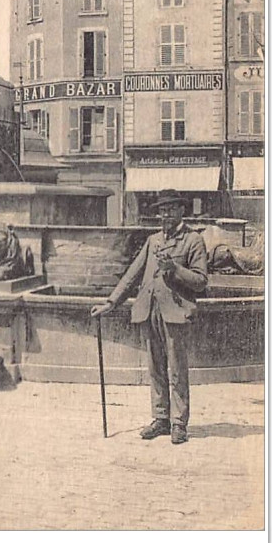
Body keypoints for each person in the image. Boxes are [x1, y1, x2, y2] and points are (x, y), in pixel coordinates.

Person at [91, 190, 208, 444]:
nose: (165, 214)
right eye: (162, 210)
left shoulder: (193, 240)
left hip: (175, 311)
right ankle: (161, 419)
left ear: (180, 211)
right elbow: (132, 275)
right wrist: (110, 303)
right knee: (155, 369)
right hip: (149, 310)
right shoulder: (153, 240)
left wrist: (174, 268)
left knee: (177, 370)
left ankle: (179, 423)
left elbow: (200, 281)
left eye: (170, 209)